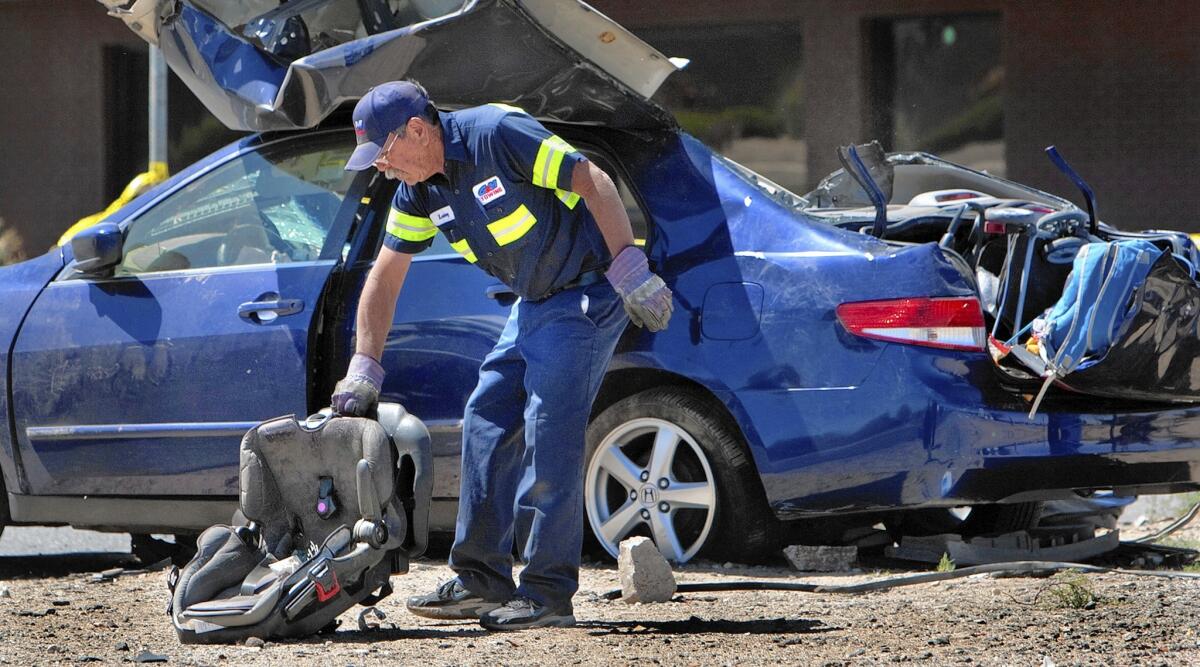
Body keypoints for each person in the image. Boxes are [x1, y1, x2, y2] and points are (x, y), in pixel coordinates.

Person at [332, 81, 673, 631]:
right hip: (537, 301)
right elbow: (385, 277)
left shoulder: (496, 134)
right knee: (486, 417)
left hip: (586, 292)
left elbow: (594, 180)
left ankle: (547, 592)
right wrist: (364, 367)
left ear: (416, 130)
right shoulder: (420, 190)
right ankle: (480, 578)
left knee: (548, 427)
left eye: (385, 155)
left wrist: (628, 268)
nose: (383, 169)